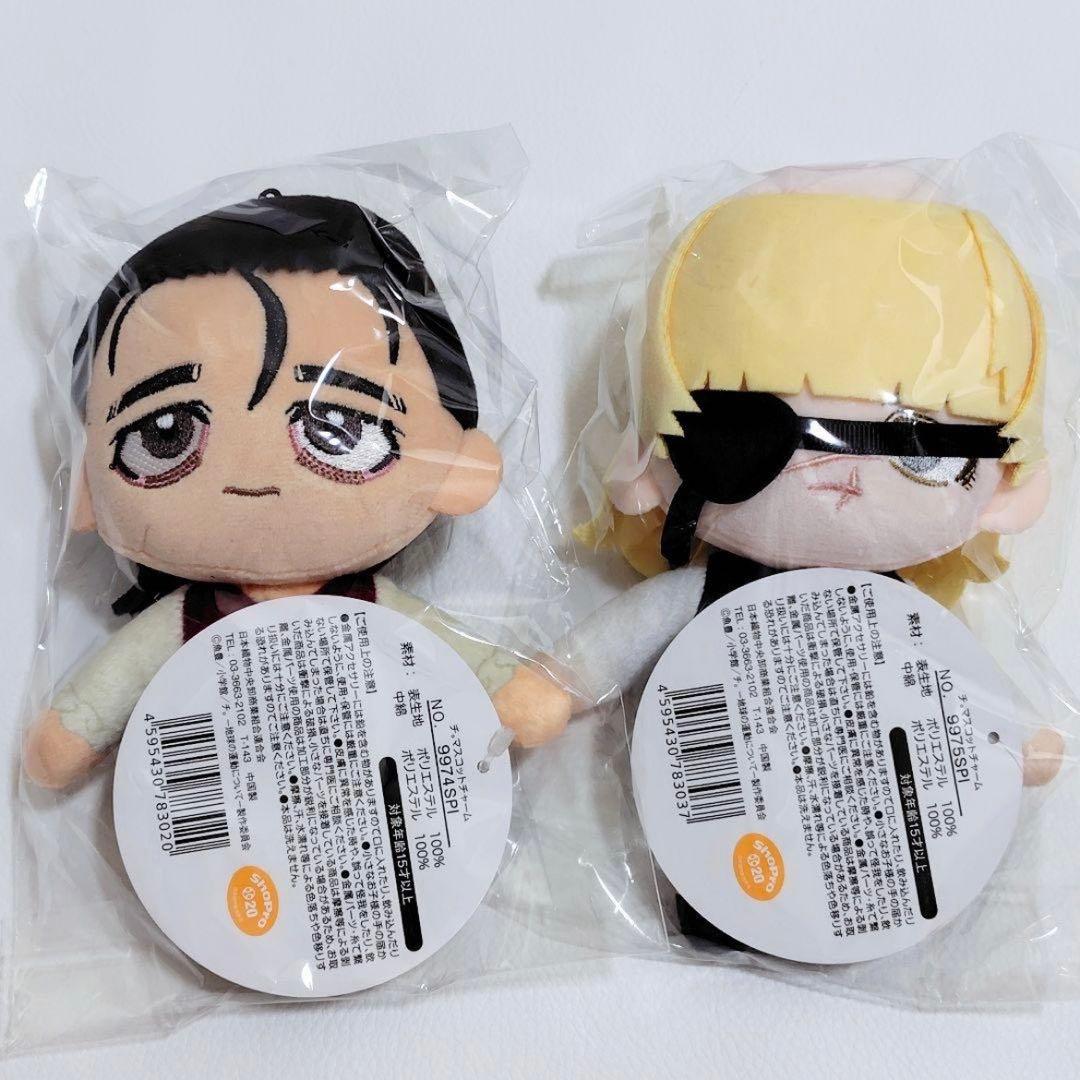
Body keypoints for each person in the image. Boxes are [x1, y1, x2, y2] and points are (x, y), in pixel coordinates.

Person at [24, 191, 571, 788]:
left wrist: (509, 691)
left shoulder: (374, 611)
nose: (251, 474)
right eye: (166, 434)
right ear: (87, 489)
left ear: (459, 467)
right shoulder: (188, 620)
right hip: (225, 804)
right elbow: (87, 716)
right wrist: (72, 732)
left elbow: (489, 681)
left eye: (337, 427)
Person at [570, 192, 1063, 788]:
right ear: (649, 462)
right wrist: (555, 684)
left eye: (920, 451)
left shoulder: (908, 616)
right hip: (714, 795)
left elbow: (959, 680)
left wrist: (1011, 734)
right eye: (751, 432)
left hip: (869, 797)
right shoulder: (709, 592)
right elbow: (611, 647)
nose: (840, 472)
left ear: (1009, 486)